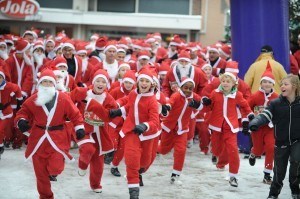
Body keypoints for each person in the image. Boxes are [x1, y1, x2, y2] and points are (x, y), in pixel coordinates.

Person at [14, 69, 85, 199]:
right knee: (40, 173)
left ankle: (53, 172)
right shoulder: (34, 99)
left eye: (49, 82)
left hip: (57, 137)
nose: (46, 85)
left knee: (55, 167)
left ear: (54, 84)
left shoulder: (63, 98)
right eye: (44, 82)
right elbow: (23, 111)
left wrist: (79, 127)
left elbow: (75, 114)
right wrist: (21, 121)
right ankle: (45, 196)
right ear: (40, 84)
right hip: (38, 138)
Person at [109, 68, 160, 199]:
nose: (143, 83)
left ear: (151, 84)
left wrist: (145, 125)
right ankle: (134, 191)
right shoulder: (132, 94)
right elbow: (128, 106)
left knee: (144, 162)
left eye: (146, 81)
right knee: (131, 159)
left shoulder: (152, 100)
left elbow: (154, 121)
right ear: (137, 82)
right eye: (141, 80)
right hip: (131, 131)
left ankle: (140, 172)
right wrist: (118, 111)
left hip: (148, 134)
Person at [249, 74, 300, 199]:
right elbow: (266, 115)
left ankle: (295, 190)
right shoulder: (275, 103)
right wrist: (255, 122)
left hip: (297, 140)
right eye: (281, 84)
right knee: (279, 171)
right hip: (281, 141)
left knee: (296, 162)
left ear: (294, 86)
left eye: (285, 84)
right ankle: (273, 194)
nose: (282, 86)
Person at [70, 69, 117, 193]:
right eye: (98, 81)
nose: (100, 84)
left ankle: (96, 184)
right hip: (82, 129)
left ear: (106, 85)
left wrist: (92, 104)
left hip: (100, 133)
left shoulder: (108, 98)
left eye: (103, 82)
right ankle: (82, 164)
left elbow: (108, 116)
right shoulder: (82, 92)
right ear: (93, 82)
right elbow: (68, 101)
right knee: (88, 149)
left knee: (98, 162)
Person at [202, 72, 253, 187]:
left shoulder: (238, 95)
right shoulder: (215, 93)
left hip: (231, 126)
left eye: (228, 81)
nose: (225, 83)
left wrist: (250, 115)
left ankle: (233, 176)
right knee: (217, 148)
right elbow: (209, 107)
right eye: (223, 81)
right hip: (216, 125)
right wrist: (206, 102)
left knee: (232, 149)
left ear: (234, 83)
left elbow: (245, 106)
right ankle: (215, 153)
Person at [158, 78, 202, 183]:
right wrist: (167, 107)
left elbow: (202, 104)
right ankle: (156, 145)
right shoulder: (176, 95)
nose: (187, 90)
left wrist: (199, 105)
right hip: (169, 127)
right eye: (185, 88)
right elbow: (170, 103)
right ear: (181, 87)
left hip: (182, 129)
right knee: (164, 150)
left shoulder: (194, 97)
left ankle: (176, 174)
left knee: (181, 150)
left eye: (190, 88)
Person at [247, 62, 278, 185]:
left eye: (269, 82)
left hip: (270, 127)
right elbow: (247, 107)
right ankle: (254, 153)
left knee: (271, 148)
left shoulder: (276, 97)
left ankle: (267, 175)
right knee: (259, 150)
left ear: (273, 84)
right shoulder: (255, 96)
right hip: (257, 128)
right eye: (264, 81)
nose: (267, 84)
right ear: (261, 83)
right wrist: (250, 117)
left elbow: (281, 111)